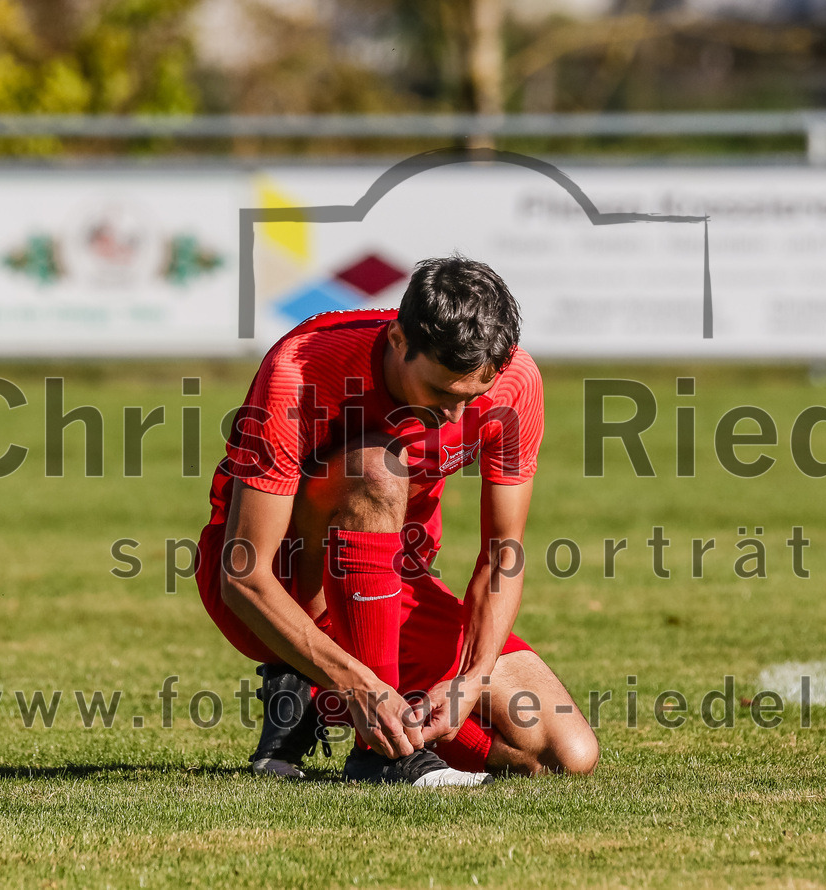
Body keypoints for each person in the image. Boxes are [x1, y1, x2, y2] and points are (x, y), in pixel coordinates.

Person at [195, 255, 599, 786]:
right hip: (282, 587)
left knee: (560, 753)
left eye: (472, 397)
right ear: (398, 342)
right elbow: (243, 577)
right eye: (441, 394)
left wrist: (470, 680)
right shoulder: (301, 369)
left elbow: (503, 552)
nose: (456, 418)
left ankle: (316, 694)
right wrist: (361, 685)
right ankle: (379, 753)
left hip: (389, 588)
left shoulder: (515, 381)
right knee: (377, 470)